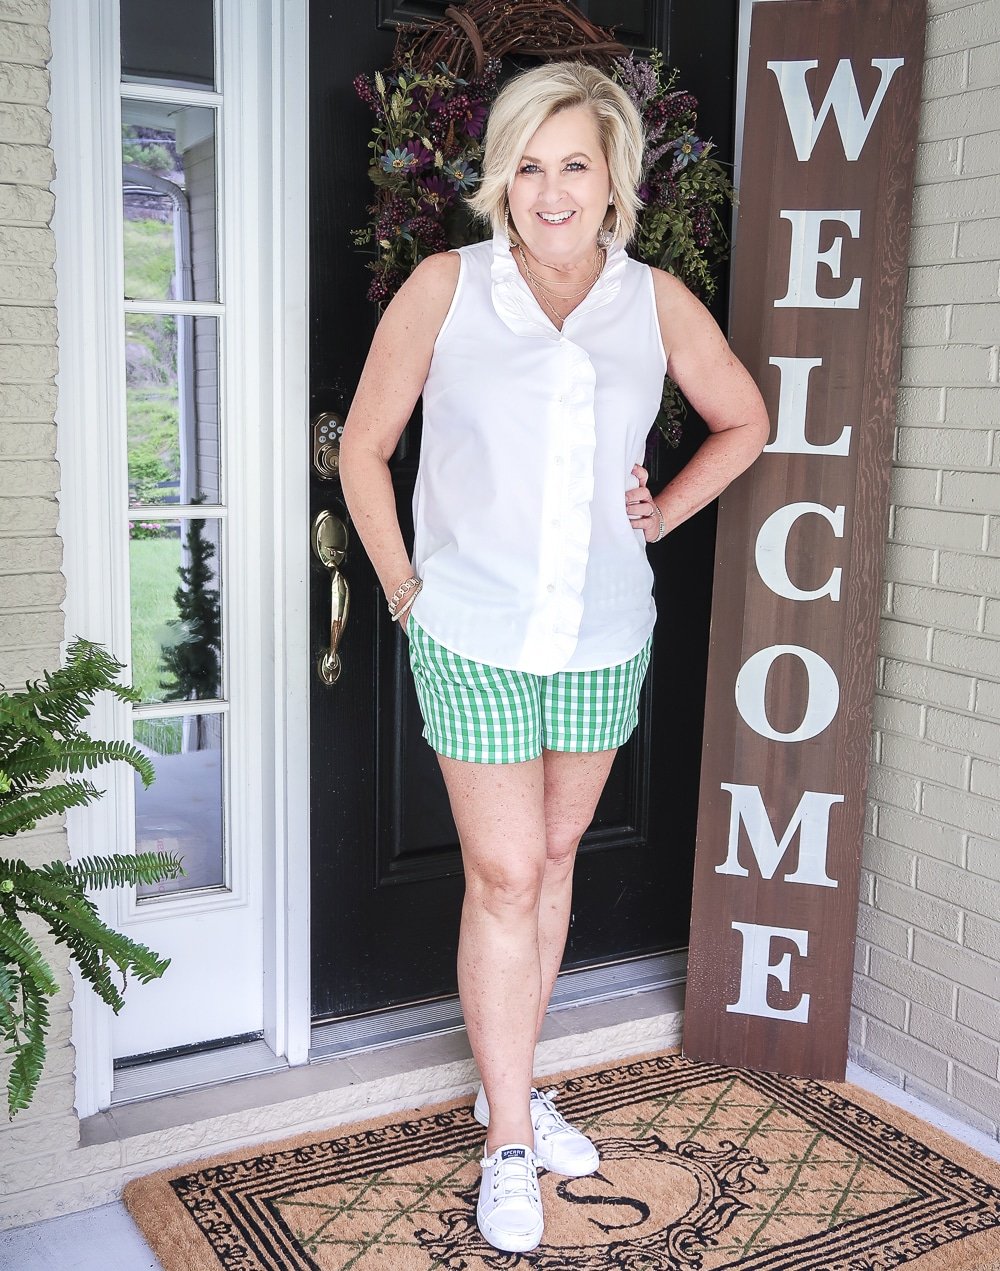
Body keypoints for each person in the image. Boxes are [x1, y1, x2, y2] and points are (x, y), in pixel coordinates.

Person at [339, 59, 769, 1255]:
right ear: (500, 178)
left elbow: (745, 420)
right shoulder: (447, 287)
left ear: (613, 173)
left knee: (561, 851)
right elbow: (364, 452)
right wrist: (405, 590)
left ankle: (506, 1083)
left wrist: (660, 513)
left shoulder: (656, 301)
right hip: (469, 631)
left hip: (600, 630)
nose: (549, 188)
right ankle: (509, 1142)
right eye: (527, 164)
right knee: (508, 871)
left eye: (572, 161)